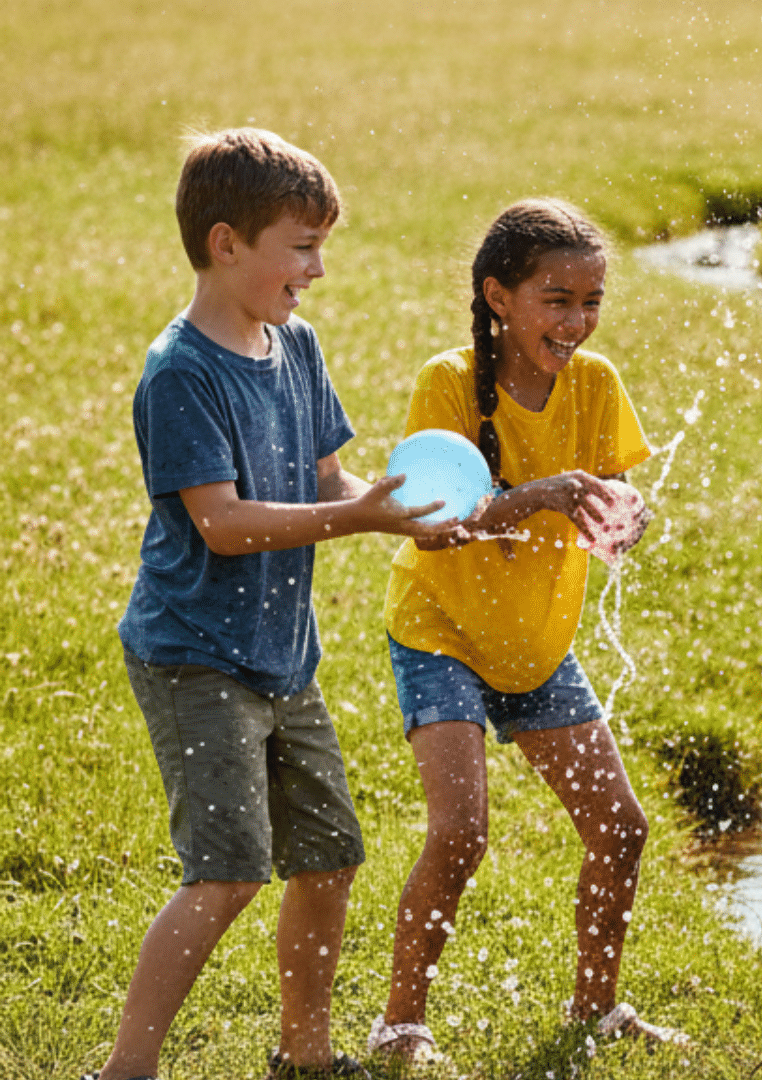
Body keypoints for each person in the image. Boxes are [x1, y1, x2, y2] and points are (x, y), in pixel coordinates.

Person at [97, 128, 457, 1080]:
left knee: (330, 855)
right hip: (195, 656)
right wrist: (360, 521)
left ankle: (306, 1054)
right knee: (226, 873)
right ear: (226, 244)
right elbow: (220, 523)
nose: (317, 270)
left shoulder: (295, 346)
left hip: (283, 660)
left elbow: (331, 478)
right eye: (301, 247)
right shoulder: (181, 372)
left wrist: (405, 514)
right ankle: (126, 1069)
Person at [369, 198, 685, 1064]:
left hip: (536, 642)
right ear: (499, 297)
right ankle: (400, 1025)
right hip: (442, 632)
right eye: (558, 300)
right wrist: (538, 496)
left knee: (621, 830)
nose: (576, 322)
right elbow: (432, 526)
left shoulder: (596, 384)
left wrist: (625, 518)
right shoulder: (447, 381)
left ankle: (596, 1010)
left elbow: (614, 496)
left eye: (592, 302)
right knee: (461, 833)